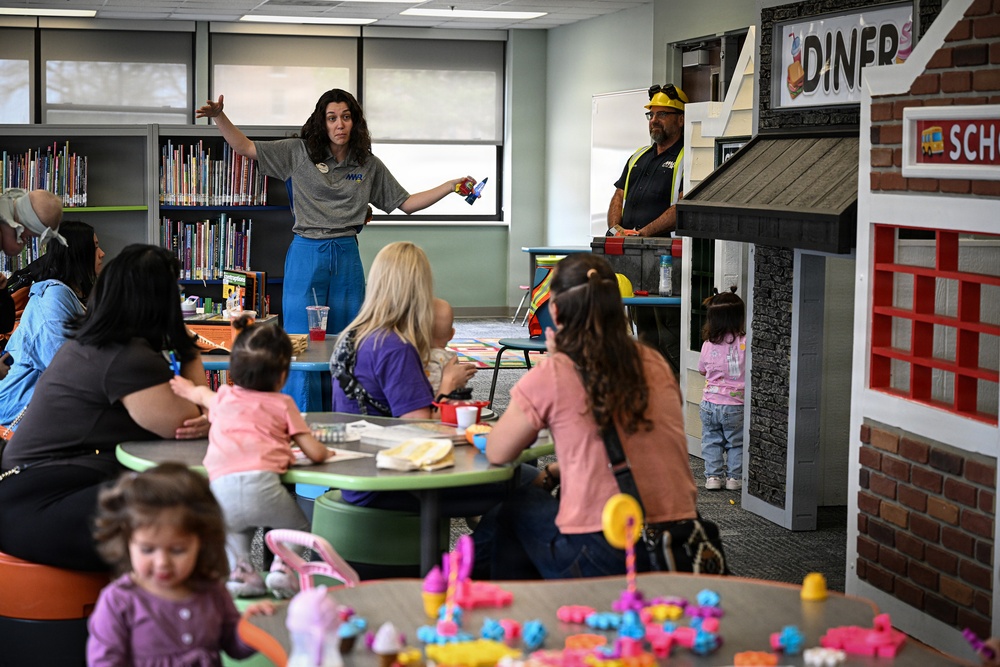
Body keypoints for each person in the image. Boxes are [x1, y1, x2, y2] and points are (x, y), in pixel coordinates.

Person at [196, 90, 475, 412]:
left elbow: (407, 203)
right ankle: (301, 414)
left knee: (348, 337)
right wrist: (218, 116)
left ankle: (344, 412)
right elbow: (245, 147)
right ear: (322, 122)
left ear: (355, 122)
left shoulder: (368, 164)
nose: (339, 124)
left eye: (345, 117)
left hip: (346, 254)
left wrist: (450, 186)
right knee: (301, 341)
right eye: (332, 118)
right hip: (307, 251)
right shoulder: (297, 152)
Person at [480, 253, 698, 579]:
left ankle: (470, 587)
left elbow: (498, 452)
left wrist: (554, 363)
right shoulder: (653, 361)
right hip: (674, 544)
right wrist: (558, 470)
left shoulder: (555, 372)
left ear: (555, 310)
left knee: (514, 507)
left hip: (604, 550)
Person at [0, 244, 211, 571]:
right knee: (181, 506)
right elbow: (187, 427)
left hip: (28, 496)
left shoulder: (94, 343)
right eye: (176, 293)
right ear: (160, 301)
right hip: (42, 503)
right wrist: (188, 348)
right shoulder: (126, 356)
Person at [170, 314, 330, 599]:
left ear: (233, 370)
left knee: (234, 532)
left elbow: (200, 394)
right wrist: (326, 451)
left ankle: (242, 573)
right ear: (283, 376)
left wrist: (184, 387)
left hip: (220, 491)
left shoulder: (223, 397)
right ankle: (282, 568)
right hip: (263, 487)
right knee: (298, 527)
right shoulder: (283, 404)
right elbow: (314, 453)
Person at [330, 242, 493, 511]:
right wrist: (448, 384)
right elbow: (419, 428)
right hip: (388, 480)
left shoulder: (353, 335)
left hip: (353, 474)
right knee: (517, 475)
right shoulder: (396, 347)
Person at [87, 462, 274, 666]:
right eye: (147, 550)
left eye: (177, 550)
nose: (162, 563)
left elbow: (233, 645)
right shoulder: (119, 601)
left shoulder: (212, 591)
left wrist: (253, 627)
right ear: (127, 542)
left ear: (201, 543)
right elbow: (103, 662)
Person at [605, 83, 688, 373]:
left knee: (666, 330)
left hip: (666, 257)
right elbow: (618, 195)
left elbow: (681, 207)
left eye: (662, 114)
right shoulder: (638, 157)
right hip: (632, 254)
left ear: (680, 119)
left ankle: (670, 382)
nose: (654, 120)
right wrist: (616, 230)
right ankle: (648, 381)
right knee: (642, 326)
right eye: (651, 115)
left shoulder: (687, 157)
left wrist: (643, 233)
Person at [0, 221, 104, 428]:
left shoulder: (72, 294)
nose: (102, 254)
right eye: (94, 247)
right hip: (21, 412)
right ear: (77, 253)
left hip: (50, 404)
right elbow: (65, 370)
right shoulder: (52, 298)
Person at [698, 287, 746, 491]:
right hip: (736, 405)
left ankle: (713, 477)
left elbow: (702, 370)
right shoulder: (745, 343)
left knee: (711, 440)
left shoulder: (708, 344)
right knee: (736, 443)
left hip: (709, 403)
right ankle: (734, 478)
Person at [426, 297, 473, 398]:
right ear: (452, 334)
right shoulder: (451, 359)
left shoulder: (414, 355)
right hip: (446, 401)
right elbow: (460, 383)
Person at [0, 188, 66, 256]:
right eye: (29, 236)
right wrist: (21, 244)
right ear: (24, 225)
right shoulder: (7, 221)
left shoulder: (10, 200)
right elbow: (12, 250)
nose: (25, 238)